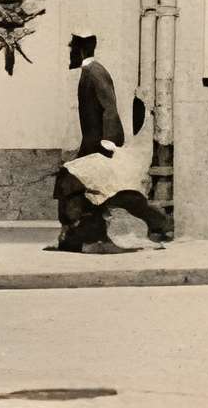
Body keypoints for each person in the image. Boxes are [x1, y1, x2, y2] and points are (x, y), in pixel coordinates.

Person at [52, 30, 169, 252]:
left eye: (71, 49)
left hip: (100, 144)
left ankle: (156, 223)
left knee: (97, 189)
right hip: (92, 143)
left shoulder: (96, 72)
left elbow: (109, 105)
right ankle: (83, 236)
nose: (69, 54)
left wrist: (109, 140)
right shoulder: (88, 72)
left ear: (81, 49)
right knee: (93, 191)